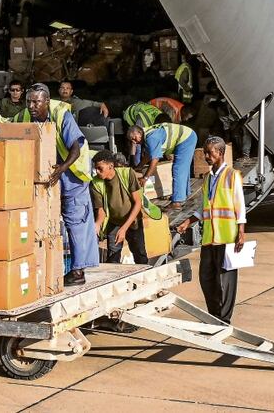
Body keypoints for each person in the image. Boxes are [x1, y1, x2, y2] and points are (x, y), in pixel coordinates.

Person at [13, 83, 99, 285]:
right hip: (48, 175)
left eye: (36, 102)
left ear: (47, 101)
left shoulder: (62, 114)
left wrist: (63, 168)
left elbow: (76, 147)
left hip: (73, 173)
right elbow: (8, 127)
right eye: (28, 102)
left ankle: (78, 272)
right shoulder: (25, 116)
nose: (31, 106)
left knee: (76, 221)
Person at [175, 136, 246, 323]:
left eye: (210, 152)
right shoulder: (207, 178)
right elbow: (204, 207)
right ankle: (214, 314)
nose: (207, 156)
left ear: (220, 152)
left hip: (227, 237)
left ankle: (224, 318)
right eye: (205, 152)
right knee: (206, 277)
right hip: (209, 237)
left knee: (226, 280)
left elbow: (240, 205)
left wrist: (241, 232)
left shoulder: (232, 175)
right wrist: (188, 221)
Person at [90, 150, 161, 265]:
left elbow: (138, 203)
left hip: (133, 221)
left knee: (140, 255)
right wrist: (97, 224)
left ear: (111, 166)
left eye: (100, 168)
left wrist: (124, 228)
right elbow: (101, 210)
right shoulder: (95, 183)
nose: (97, 172)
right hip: (114, 223)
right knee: (113, 258)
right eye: (96, 169)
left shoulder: (127, 174)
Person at [126, 122, 197, 211]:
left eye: (134, 138)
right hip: (187, 135)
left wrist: (145, 178)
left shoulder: (151, 138)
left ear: (139, 133)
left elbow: (155, 159)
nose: (134, 142)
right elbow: (149, 154)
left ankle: (176, 202)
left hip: (186, 138)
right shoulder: (147, 135)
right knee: (183, 167)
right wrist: (139, 166)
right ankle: (183, 195)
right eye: (131, 140)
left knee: (179, 168)